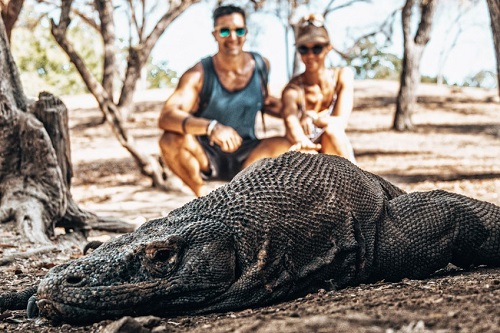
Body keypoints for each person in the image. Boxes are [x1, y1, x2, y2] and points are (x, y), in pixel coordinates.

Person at [158, 5, 290, 197]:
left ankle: (249, 194)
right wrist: (212, 127)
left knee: (289, 145)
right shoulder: (198, 74)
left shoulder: (262, 65)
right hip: (206, 153)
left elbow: (265, 101)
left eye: (239, 30)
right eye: (225, 31)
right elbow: (166, 117)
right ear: (215, 34)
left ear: (246, 32)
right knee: (169, 139)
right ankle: (202, 197)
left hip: (248, 153)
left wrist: (299, 114)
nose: (233, 37)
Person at [281, 14, 356, 163]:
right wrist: (303, 141)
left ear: (328, 48)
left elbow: (340, 122)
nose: (310, 56)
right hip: (306, 150)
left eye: (316, 48)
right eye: (303, 49)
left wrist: (313, 118)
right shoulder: (292, 89)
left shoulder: (343, 76)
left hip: (334, 147)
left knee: (332, 133)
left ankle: (358, 183)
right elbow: (291, 124)